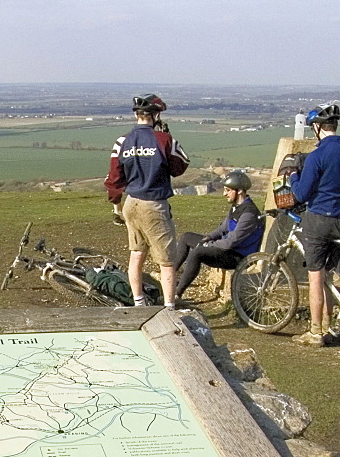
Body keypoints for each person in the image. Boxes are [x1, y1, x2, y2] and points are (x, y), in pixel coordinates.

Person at [287, 103, 340, 346]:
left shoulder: (316, 156)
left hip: (318, 220)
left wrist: (292, 176)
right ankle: (328, 327)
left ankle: (315, 332)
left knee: (315, 277)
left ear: (318, 128)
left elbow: (300, 195)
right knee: (328, 277)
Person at [105, 94, 189, 309]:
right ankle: (170, 307)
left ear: (136, 115)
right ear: (156, 115)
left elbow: (114, 179)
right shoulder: (163, 140)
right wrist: (166, 138)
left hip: (130, 203)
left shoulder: (121, 142)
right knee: (167, 261)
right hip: (154, 204)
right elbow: (181, 166)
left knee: (136, 253)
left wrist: (116, 207)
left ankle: (139, 303)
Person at [173, 171, 263, 299]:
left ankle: (176, 295)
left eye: (228, 190)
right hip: (227, 248)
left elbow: (231, 242)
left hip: (237, 256)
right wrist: (208, 237)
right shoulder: (236, 207)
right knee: (186, 237)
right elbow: (222, 229)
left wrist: (209, 245)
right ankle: (169, 277)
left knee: (198, 253)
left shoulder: (249, 213)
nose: (224, 193)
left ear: (240, 191)